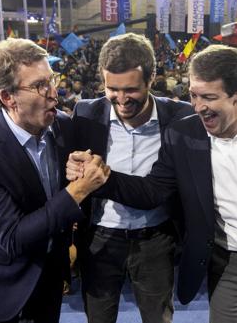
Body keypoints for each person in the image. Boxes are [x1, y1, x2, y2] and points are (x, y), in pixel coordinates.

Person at [69, 45, 237, 323]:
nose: (198, 107)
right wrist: (101, 176)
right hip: (229, 265)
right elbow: (151, 191)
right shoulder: (183, 132)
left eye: (208, 97)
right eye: (194, 96)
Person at [0, 38, 110, 323]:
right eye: (40, 86)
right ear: (7, 97)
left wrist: (79, 167)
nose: (54, 93)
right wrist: (78, 190)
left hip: (48, 276)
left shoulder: (63, 125)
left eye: (52, 80)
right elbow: (12, 238)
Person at [72, 33, 191, 323]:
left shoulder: (181, 117)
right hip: (99, 239)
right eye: (112, 89)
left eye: (131, 89)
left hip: (156, 240)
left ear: (151, 79)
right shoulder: (85, 112)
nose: (121, 99)